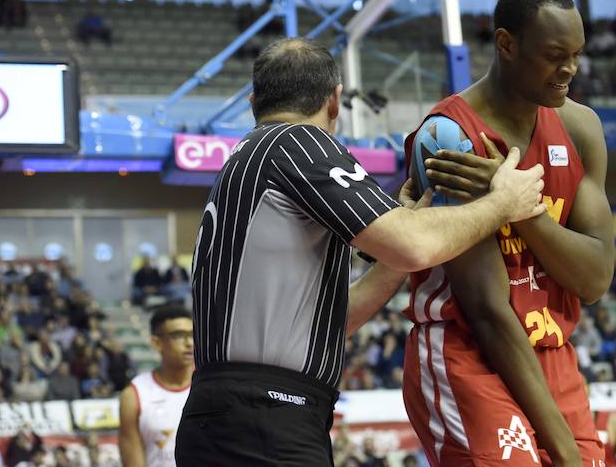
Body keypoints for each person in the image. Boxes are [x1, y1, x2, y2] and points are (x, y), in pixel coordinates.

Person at [175, 38, 546, 466]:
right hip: (267, 417)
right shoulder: (298, 142)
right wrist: (503, 203)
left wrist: (394, 248)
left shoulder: (243, 161)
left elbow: (332, 322)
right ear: (335, 102)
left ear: (254, 100)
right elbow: (414, 244)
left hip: (224, 413)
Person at [402, 0, 614, 466]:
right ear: (507, 45)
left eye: (577, 54)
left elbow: (595, 277)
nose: (570, 70)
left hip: (552, 354)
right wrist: (561, 447)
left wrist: (520, 205)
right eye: (555, 54)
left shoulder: (582, 127)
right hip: (468, 352)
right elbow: (486, 309)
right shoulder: (448, 136)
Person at [119, 304, 193, 467]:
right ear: (156, 342)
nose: (189, 342)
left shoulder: (210, 386)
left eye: (192, 334)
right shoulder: (134, 395)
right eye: (179, 335)